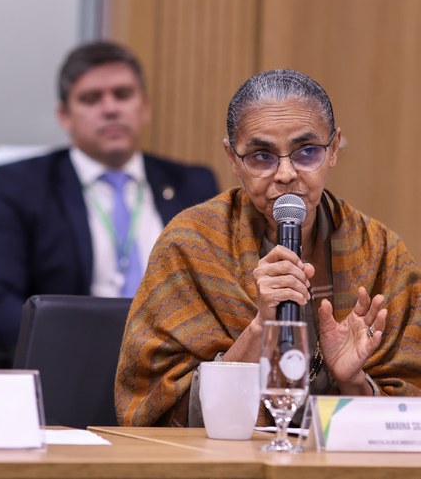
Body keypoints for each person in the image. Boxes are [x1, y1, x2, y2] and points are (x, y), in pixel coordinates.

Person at [115, 68, 421, 427]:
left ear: (334, 149)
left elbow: (407, 413)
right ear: (232, 159)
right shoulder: (190, 244)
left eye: (307, 152)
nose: (286, 173)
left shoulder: (381, 252)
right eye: (262, 156)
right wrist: (260, 328)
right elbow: (154, 407)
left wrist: (352, 379)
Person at [0, 41, 219, 349]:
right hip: (73, 359)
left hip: (175, 362)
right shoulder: (24, 185)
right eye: (91, 99)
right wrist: (78, 344)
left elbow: (218, 294)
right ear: (65, 116)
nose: (111, 109)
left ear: (145, 108)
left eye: (123, 95)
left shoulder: (192, 185)